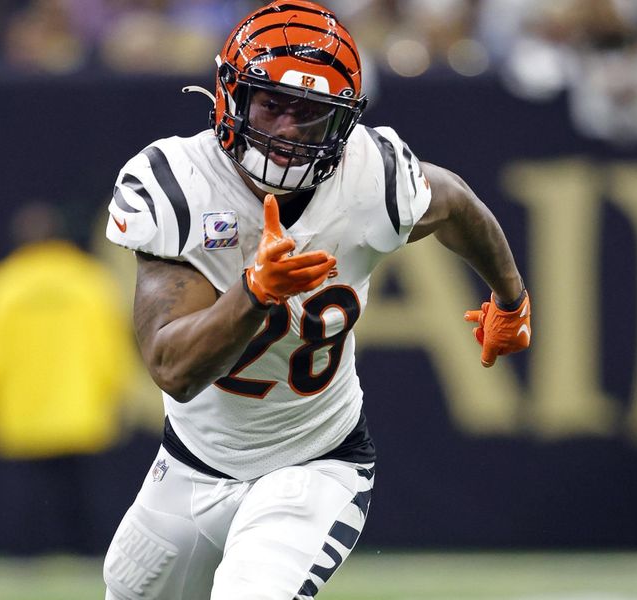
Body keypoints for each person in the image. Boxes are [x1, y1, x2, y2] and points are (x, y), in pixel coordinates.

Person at [102, 1, 531, 598]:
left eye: (310, 115)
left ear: (343, 122)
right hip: (193, 461)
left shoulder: (372, 177)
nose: (286, 131)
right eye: (272, 105)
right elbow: (172, 369)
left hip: (314, 459)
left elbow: (456, 201)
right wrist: (254, 292)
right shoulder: (180, 183)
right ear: (231, 96)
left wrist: (510, 300)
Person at [0, 201, 139, 553]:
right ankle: (87, 553)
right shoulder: (90, 282)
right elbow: (111, 349)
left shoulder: (1, 286)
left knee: (23, 491)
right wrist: (117, 393)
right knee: (80, 490)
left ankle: (22, 557)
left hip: (20, 409)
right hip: (79, 407)